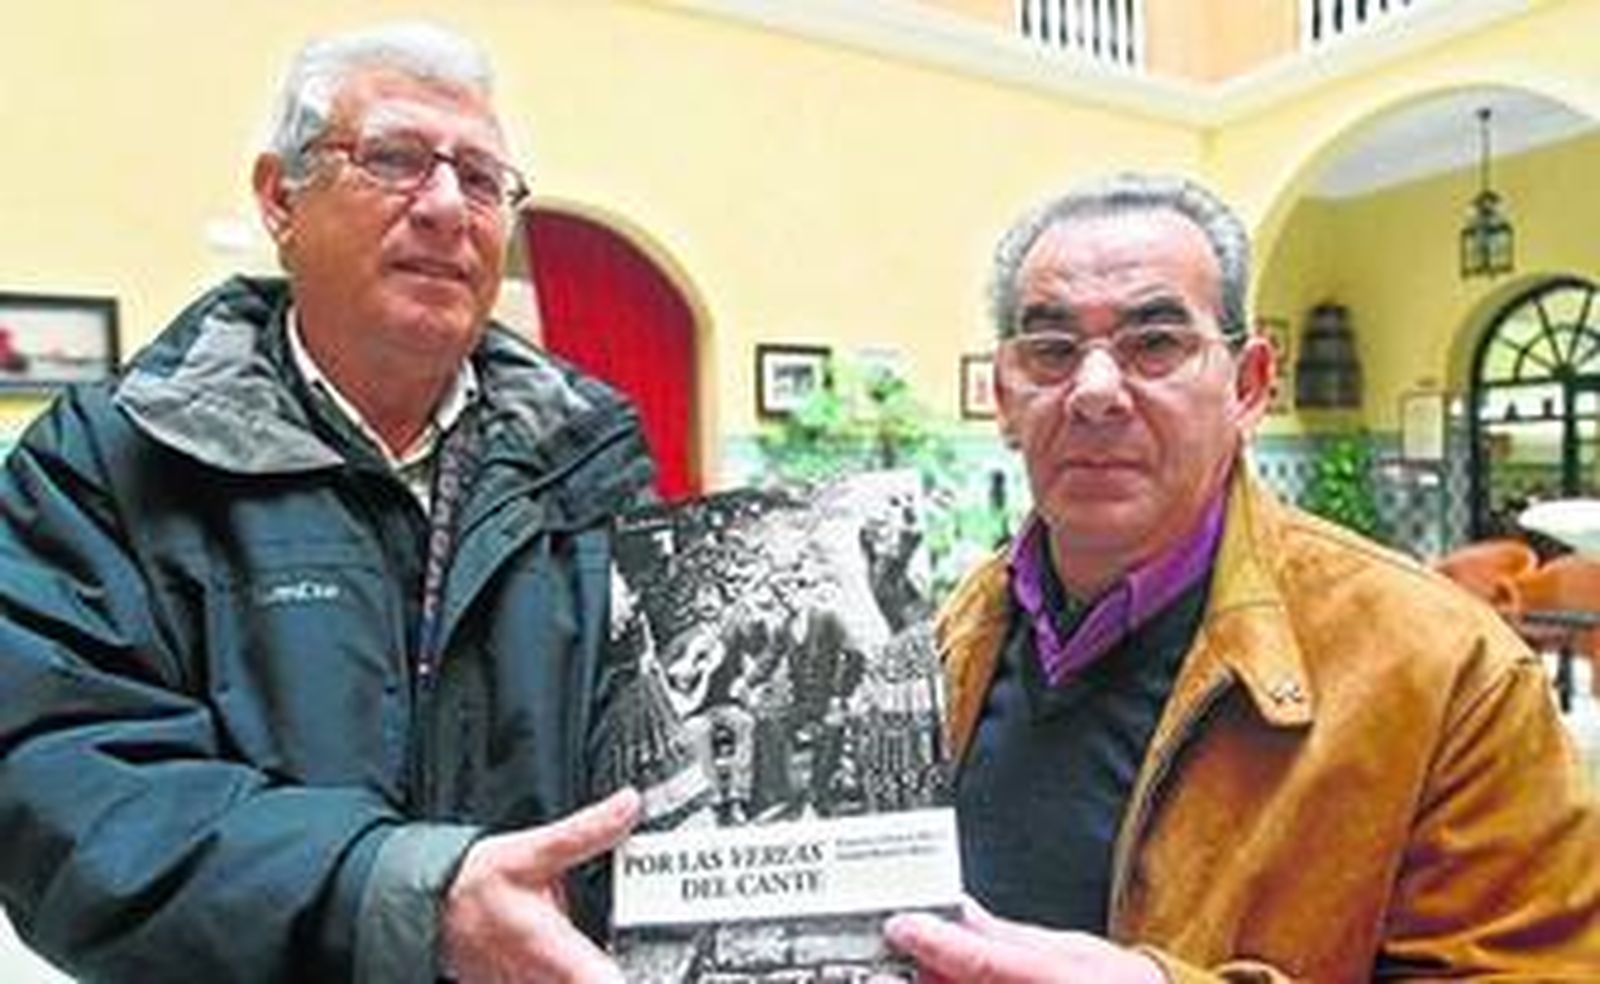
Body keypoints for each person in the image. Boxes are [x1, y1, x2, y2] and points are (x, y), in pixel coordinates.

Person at [0, 22, 656, 983]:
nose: (444, 205)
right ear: (280, 198)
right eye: (393, 159)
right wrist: (407, 898)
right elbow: (60, 792)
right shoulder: (108, 462)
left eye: (481, 180)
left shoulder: (591, 463)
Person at [885, 174, 1600, 980]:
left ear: (1249, 384)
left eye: (1154, 343)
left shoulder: (1448, 675)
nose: (1093, 391)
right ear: (1004, 398)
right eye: (1050, 351)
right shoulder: (942, 639)